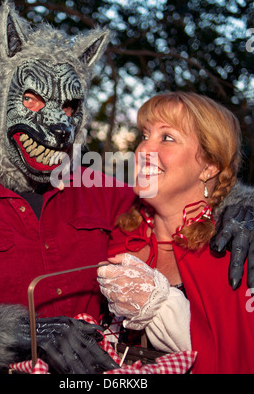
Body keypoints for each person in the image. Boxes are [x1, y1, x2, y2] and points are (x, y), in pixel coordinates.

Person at [0, 2, 253, 374]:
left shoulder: (102, 192)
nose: (58, 124)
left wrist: (243, 207)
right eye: (31, 98)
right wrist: (6, 335)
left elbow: (181, 195)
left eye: (68, 108)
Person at [98, 92, 254, 373]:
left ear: (208, 166)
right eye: (145, 135)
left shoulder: (232, 250)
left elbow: (238, 356)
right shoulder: (122, 232)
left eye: (167, 137)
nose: (143, 150)